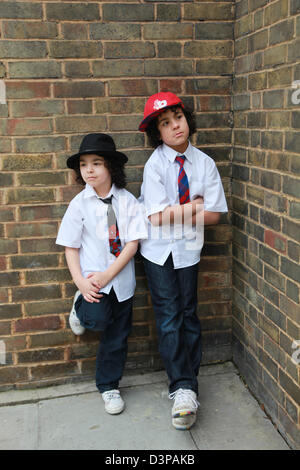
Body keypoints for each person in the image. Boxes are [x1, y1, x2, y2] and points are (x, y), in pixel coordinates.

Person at [138, 92, 228, 430]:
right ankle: (181, 389)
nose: (174, 125)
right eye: (165, 123)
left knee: (189, 313)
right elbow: (158, 219)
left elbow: (216, 214)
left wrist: (182, 213)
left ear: (187, 119)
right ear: (157, 133)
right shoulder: (155, 165)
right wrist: (194, 207)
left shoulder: (204, 163)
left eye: (178, 117)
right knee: (168, 317)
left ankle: (190, 384)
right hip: (158, 251)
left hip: (189, 250)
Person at [56, 133, 147, 415]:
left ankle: (109, 387)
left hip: (120, 281)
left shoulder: (128, 201)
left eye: (96, 163)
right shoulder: (79, 205)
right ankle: (80, 305)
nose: (89, 170)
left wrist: (109, 274)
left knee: (117, 335)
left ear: (111, 167)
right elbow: (70, 247)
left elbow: (132, 244)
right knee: (96, 321)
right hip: (92, 282)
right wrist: (81, 283)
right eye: (84, 164)